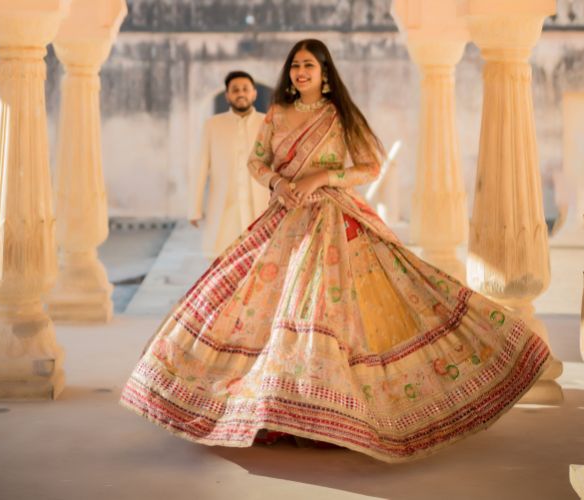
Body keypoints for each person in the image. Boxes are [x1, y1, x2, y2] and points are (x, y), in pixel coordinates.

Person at [121, 39, 551, 463]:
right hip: (283, 219)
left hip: (334, 219)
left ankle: (329, 412)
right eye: (295, 66)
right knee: (257, 306)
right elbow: (257, 162)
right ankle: (277, 412)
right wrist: (279, 183)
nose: (300, 72)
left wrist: (321, 179)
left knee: (327, 310)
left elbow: (369, 166)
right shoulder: (277, 114)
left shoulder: (339, 115)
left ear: (325, 75)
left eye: (309, 65)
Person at [188, 71, 270, 260]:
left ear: (254, 93)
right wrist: (195, 208)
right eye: (235, 90)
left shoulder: (267, 123)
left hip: (259, 205)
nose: (240, 93)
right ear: (227, 95)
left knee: (259, 260)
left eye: (245, 89)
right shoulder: (212, 125)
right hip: (224, 207)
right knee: (220, 258)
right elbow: (200, 167)